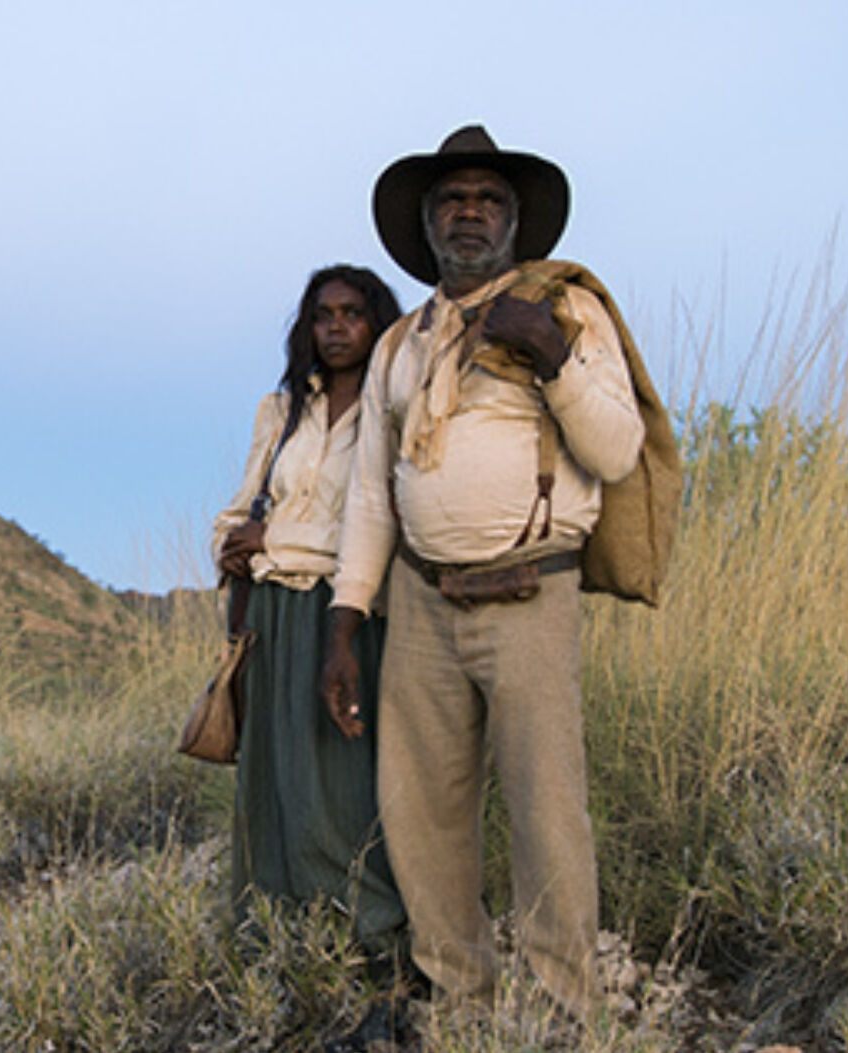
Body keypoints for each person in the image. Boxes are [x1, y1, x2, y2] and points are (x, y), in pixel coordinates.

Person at [320, 125, 646, 1025]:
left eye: (487, 199)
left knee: (548, 813)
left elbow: (616, 451)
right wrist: (346, 624)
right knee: (421, 811)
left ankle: (562, 1009)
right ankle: (460, 1002)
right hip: (421, 600)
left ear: (514, 221)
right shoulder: (399, 344)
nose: (469, 212)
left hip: (530, 592)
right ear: (427, 225)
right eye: (453, 200)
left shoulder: (566, 312)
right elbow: (372, 499)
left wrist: (547, 350)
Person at [211, 265, 409, 1015]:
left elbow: (375, 523)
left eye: (352, 314)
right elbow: (236, 515)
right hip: (271, 613)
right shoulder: (283, 410)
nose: (336, 328)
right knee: (274, 782)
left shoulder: (394, 405)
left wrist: (275, 538)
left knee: (342, 782)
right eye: (322, 314)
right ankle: (280, 950)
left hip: (348, 614)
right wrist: (236, 544)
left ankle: (373, 951)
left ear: (375, 322)